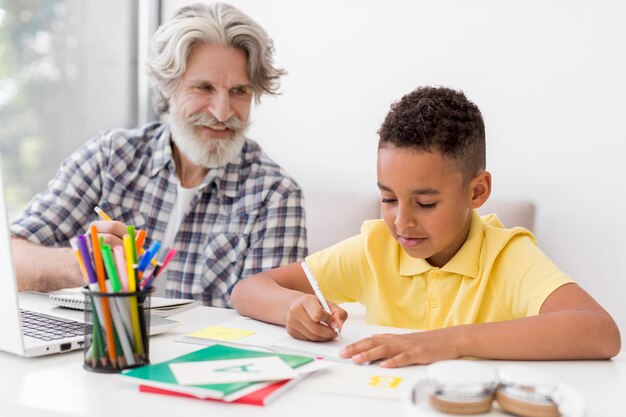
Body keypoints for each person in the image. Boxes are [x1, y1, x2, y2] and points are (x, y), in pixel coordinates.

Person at [231, 86, 621, 367]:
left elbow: (601, 332)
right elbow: (248, 290)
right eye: (388, 198)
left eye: (426, 203)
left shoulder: (508, 256)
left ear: (478, 191)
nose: (402, 221)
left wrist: (448, 342)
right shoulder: (375, 248)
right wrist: (291, 308)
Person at [10, 3, 307, 307]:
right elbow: (11, 256)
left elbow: (269, 324)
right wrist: (79, 265)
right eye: (203, 87)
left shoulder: (275, 194)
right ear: (168, 88)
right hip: (106, 348)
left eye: (239, 91)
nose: (222, 112)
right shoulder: (110, 157)